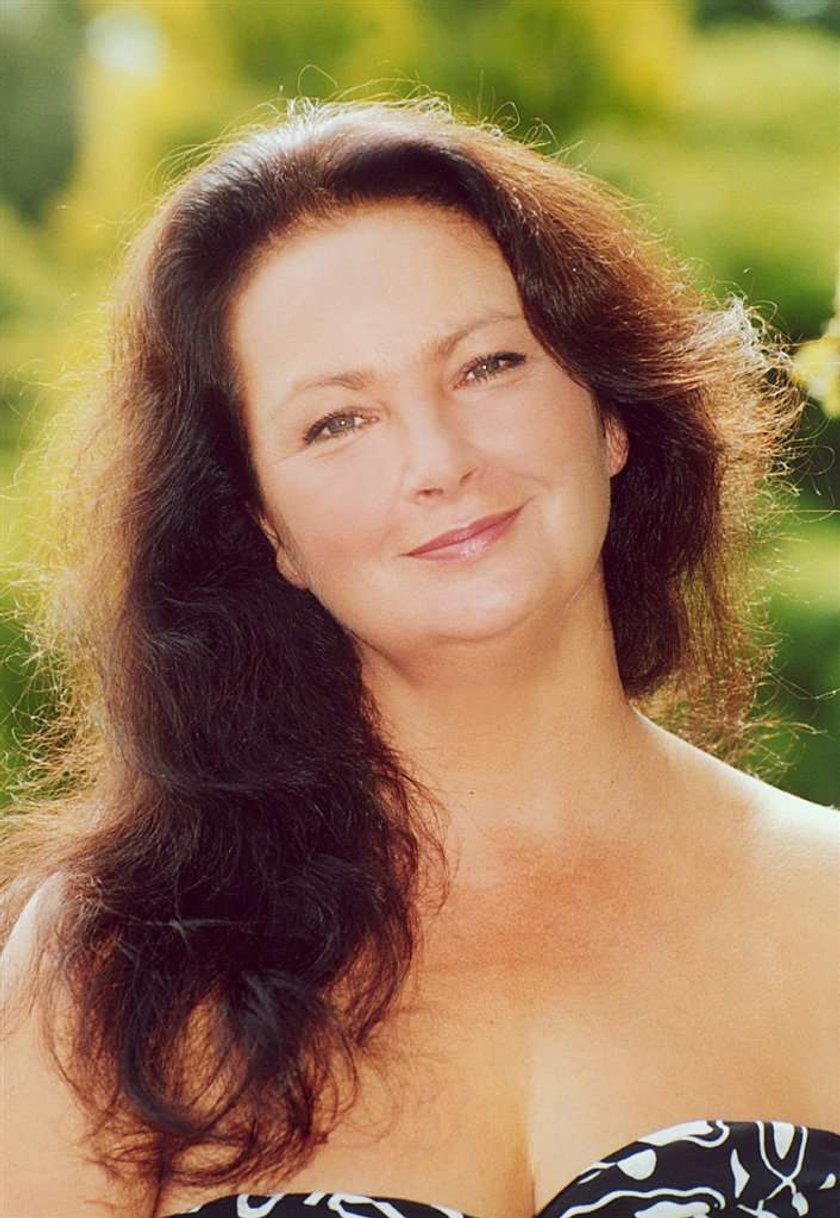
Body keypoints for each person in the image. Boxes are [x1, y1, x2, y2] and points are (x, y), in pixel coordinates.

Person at [1, 95, 838, 1218]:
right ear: (266, 527)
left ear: (610, 413)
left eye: (487, 366)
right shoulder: (109, 972)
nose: (439, 460)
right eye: (337, 422)